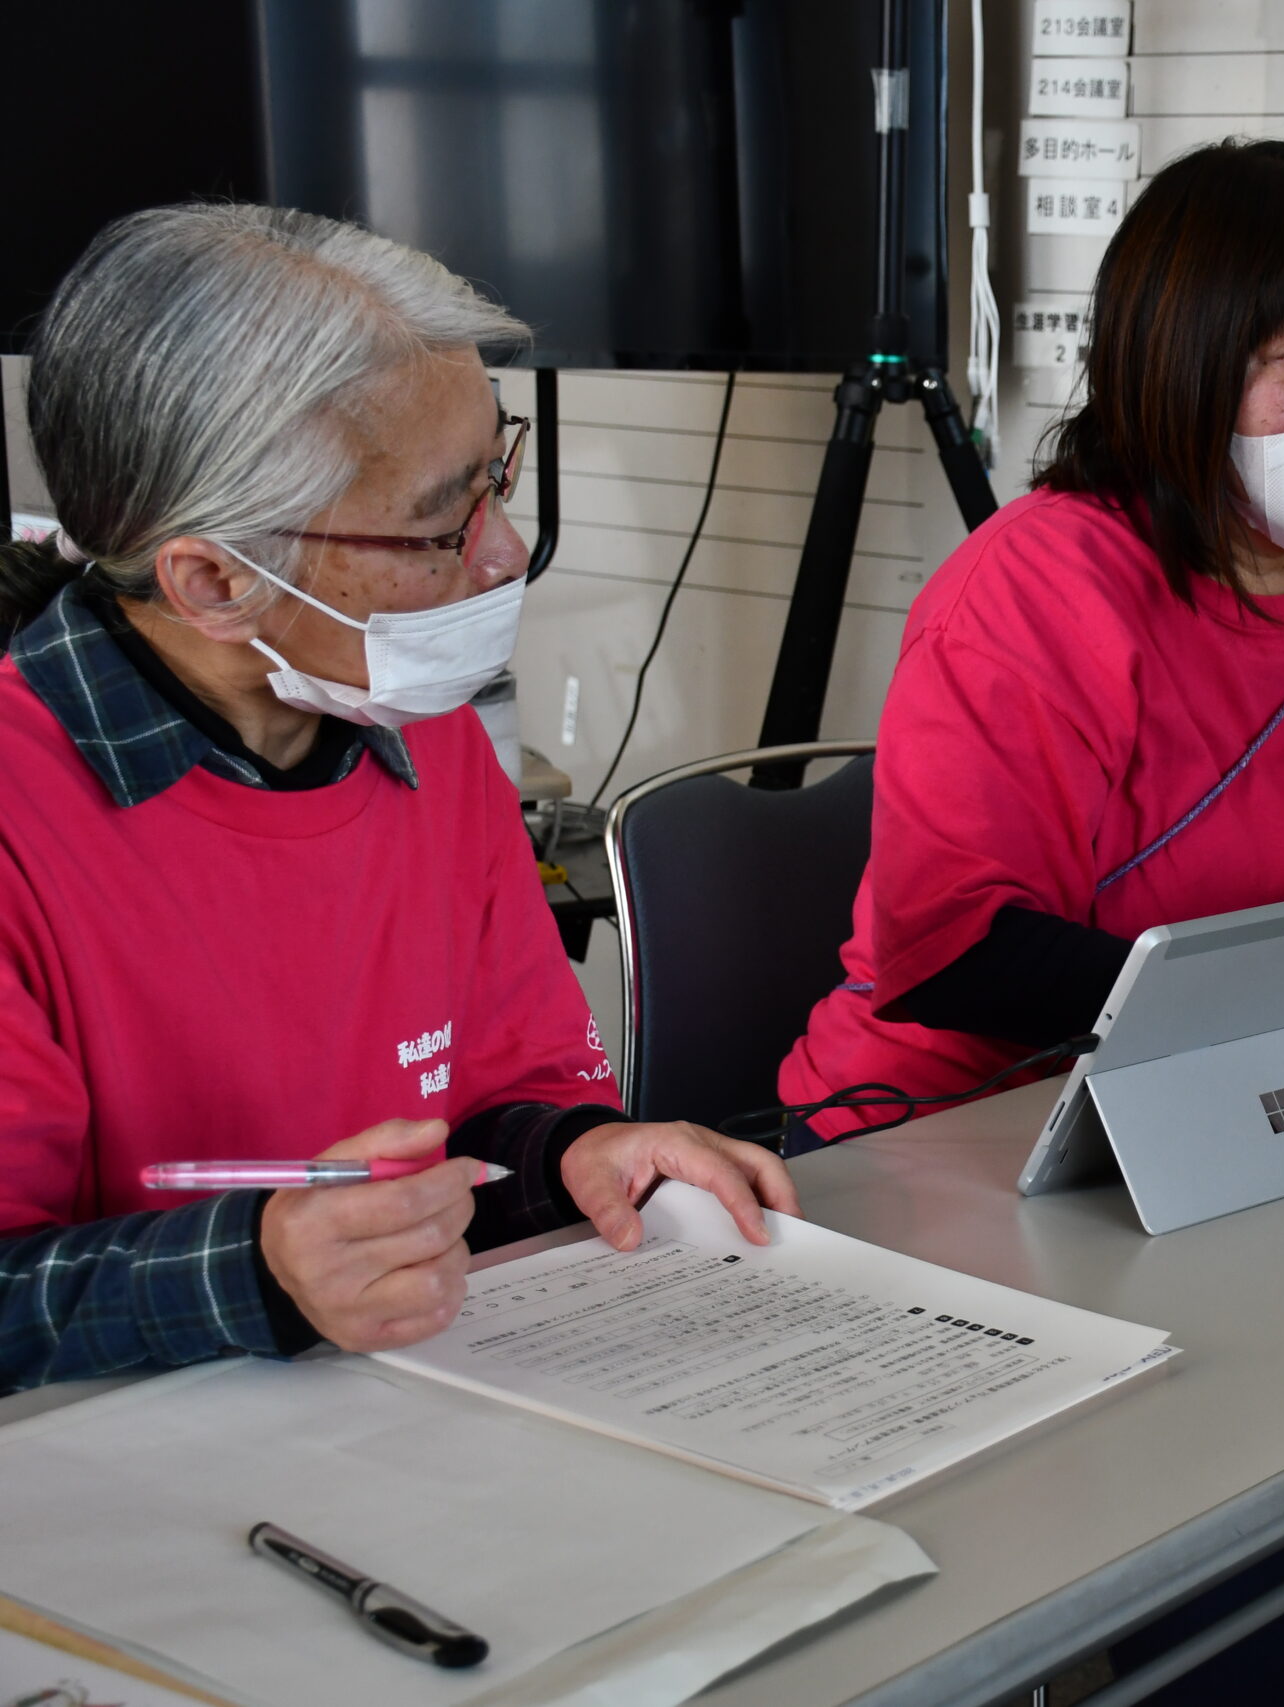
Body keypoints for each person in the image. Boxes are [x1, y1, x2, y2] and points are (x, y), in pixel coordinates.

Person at [778, 140, 1284, 1705]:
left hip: (1281, 1132)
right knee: (1214, 1511)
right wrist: (1250, 1009)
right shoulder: (1037, 590)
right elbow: (956, 941)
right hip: (985, 1134)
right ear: (1178, 375)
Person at [0, 205, 796, 1396]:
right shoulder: (27, 815)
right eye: (442, 522)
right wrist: (263, 1270)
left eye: (498, 476)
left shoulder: (422, 736)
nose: (504, 551)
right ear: (215, 578)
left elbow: (494, 1103)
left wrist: (581, 1152)